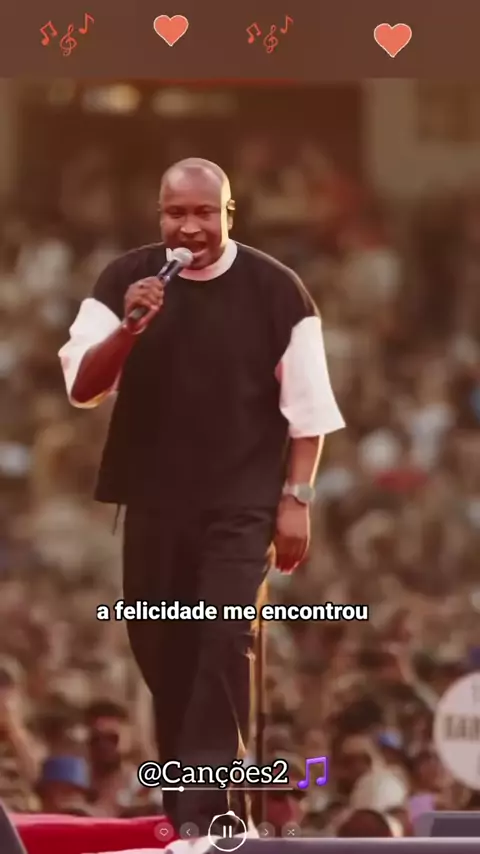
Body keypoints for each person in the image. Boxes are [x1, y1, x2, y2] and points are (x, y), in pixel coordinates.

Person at [58, 158, 344, 836]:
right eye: (176, 213)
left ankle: (211, 816)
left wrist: (297, 498)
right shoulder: (122, 281)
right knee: (165, 651)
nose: (189, 228)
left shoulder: (278, 291)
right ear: (159, 216)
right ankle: (185, 809)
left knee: (222, 635)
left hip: (241, 504)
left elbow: (308, 413)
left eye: (203, 213)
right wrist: (129, 329)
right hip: (154, 502)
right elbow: (83, 388)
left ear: (228, 215)